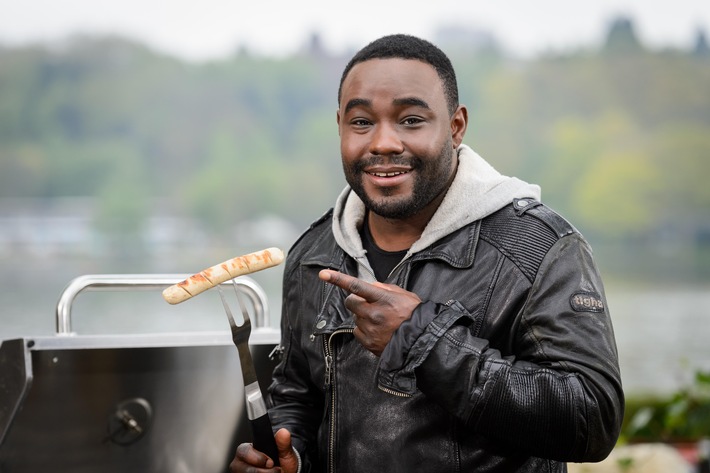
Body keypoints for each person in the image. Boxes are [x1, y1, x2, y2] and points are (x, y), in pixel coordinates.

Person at [231, 33, 624, 473]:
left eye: (411, 120)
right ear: (339, 124)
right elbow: (297, 395)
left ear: (455, 127)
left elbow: (593, 419)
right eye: (361, 122)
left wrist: (423, 341)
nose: (383, 143)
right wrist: (290, 456)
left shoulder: (539, 248)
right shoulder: (313, 253)